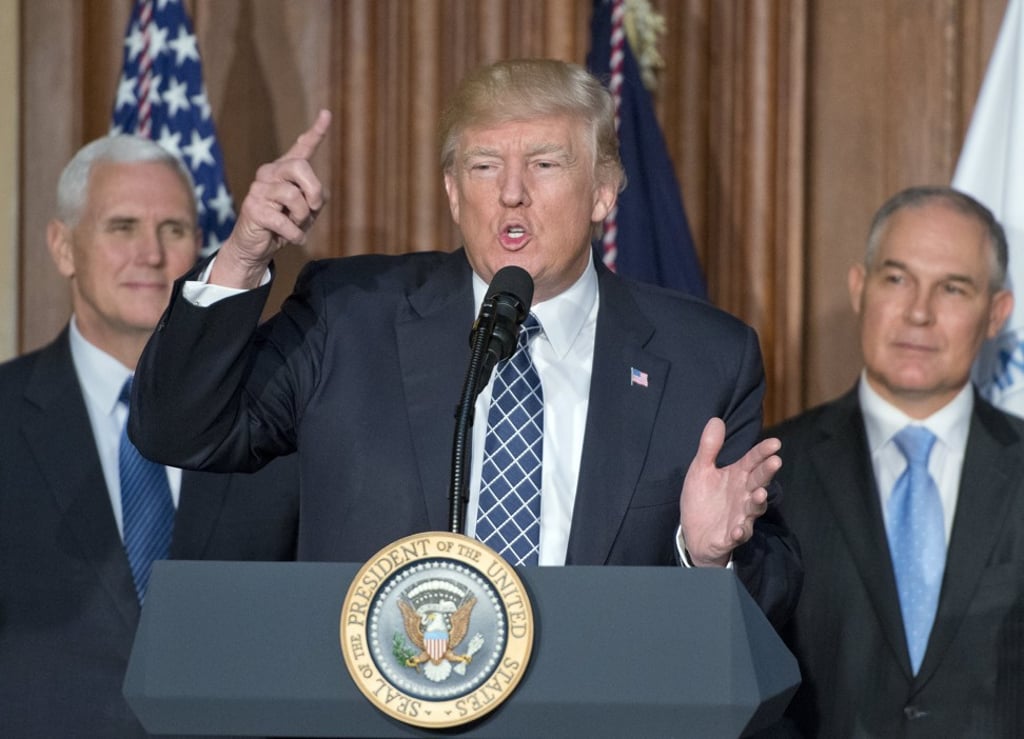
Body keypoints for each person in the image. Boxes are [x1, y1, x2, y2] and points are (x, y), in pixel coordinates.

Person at [130, 58, 801, 627]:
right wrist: (244, 259)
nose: (512, 193)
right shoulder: (351, 317)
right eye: (484, 165)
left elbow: (770, 599)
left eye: (544, 163)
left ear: (603, 192)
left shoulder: (705, 359)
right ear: (453, 192)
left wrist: (705, 555)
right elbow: (181, 430)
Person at [0, 135, 300, 737]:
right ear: (63, 247)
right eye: (122, 227)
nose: (151, 254)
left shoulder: (277, 416)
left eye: (173, 229)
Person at [766, 186, 1024, 736]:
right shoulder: (770, 472)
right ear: (860, 288)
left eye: (953, 288)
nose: (919, 313)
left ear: (997, 313)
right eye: (897, 279)